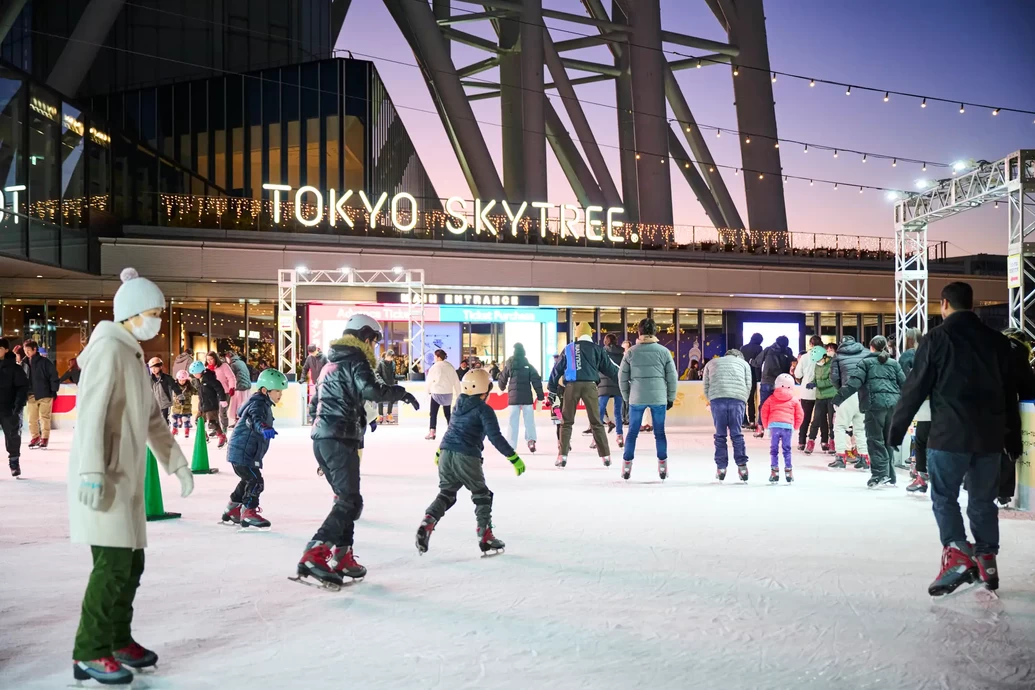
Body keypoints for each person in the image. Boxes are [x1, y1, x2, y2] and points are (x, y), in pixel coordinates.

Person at [68, 267, 194, 685]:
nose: (156, 319)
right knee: (113, 565)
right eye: (153, 312)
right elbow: (90, 416)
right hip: (103, 475)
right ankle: (90, 649)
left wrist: (175, 461)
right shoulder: (108, 350)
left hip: (125, 478)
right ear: (133, 312)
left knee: (132, 562)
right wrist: (90, 470)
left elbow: (153, 420)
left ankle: (118, 639)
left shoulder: (132, 354)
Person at [889, 282, 1018, 596]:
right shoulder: (997, 341)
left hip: (949, 435)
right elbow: (1010, 393)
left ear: (944, 304)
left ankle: (959, 554)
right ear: (971, 305)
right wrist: (1012, 439)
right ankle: (987, 561)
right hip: (989, 437)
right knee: (982, 501)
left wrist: (895, 428)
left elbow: (916, 388)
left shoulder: (936, 338)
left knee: (944, 497)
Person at [296, 315, 419, 589]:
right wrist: (400, 393)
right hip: (340, 437)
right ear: (365, 337)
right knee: (349, 501)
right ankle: (315, 552)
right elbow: (371, 390)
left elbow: (314, 403)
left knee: (347, 499)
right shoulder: (356, 360)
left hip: (322, 438)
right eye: (374, 341)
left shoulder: (330, 364)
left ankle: (342, 555)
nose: (374, 347)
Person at [416, 368, 525, 555]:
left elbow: (452, 427)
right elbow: (495, 437)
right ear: (485, 391)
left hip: (446, 454)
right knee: (482, 496)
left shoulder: (459, 403)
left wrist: (438, 452)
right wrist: (513, 457)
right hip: (466, 456)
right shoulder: (484, 409)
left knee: (446, 494)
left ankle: (428, 521)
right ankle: (485, 536)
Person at [833, 336, 905, 488]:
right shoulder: (894, 363)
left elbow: (853, 384)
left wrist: (838, 399)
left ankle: (880, 475)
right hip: (893, 406)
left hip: (874, 406)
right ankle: (890, 475)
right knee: (887, 440)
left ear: (871, 347)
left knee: (875, 440)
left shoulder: (866, 363)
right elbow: (905, 384)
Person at [222, 369, 289, 530]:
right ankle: (248, 512)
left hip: (245, 452)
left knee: (247, 480)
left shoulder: (261, 402)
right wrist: (263, 427)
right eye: (277, 391)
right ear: (265, 390)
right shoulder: (258, 403)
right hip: (243, 452)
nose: (280, 394)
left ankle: (232, 510)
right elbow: (255, 418)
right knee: (256, 481)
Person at [548, 322, 619, 468]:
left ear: (577, 334)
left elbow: (557, 370)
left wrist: (552, 389)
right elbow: (610, 369)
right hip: (590, 386)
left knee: (566, 422)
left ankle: (562, 456)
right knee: (596, 422)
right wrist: (624, 382)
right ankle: (606, 456)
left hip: (571, 387)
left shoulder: (569, 348)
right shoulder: (596, 349)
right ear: (590, 334)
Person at [618, 319, 678, 481]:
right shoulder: (664, 352)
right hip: (659, 398)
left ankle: (626, 466)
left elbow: (622, 377)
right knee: (659, 433)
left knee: (632, 433)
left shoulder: (631, 352)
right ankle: (663, 466)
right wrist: (670, 397)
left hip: (636, 397)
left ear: (639, 332)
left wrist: (626, 396)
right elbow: (672, 377)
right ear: (655, 332)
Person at [997, 329, 1035, 505]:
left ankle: (979, 487)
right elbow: (1028, 385)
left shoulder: (991, 347)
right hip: (1005, 407)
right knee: (1007, 447)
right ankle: (1003, 492)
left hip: (979, 406)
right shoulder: (1018, 352)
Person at [704, 348, 753, 481]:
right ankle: (742, 467)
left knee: (720, 435)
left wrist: (711, 399)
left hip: (717, 399)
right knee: (736, 434)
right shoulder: (744, 364)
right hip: (737, 399)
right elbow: (748, 384)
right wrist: (743, 398)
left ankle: (721, 468)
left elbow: (706, 384)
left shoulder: (712, 363)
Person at [829, 335, 871, 469]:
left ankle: (840, 457)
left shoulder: (838, 356)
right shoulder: (866, 353)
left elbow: (834, 378)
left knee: (840, 426)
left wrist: (841, 390)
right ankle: (864, 457)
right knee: (861, 427)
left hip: (847, 393)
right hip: (864, 393)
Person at [498, 343, 544, 453]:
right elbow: (536, 380)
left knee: (512, 422)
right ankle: (531, 440)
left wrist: (502, 387)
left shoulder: (510, 364)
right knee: (529, 421)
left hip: (513, 399)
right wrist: (540, 396)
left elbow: (502, 377)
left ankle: (511, 445)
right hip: (527, 398)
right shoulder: (528, 365)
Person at [899, 328, 930, 493]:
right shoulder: (932, 353)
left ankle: (920, 475)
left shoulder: (908, 356)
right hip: (940, 405)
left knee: (919, 441)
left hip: (921, 404)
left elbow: (905, 380)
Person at [760, 373, 804, 483]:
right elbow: (800, 414)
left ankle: (774, 472)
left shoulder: (771, 398)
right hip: (787, 427)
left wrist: (766, 426)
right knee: (787, 450)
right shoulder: (794, 400)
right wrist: (795, 426)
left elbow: (764, 412)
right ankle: (788, 472)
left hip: (774, 426)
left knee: (774, 450)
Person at [751, 335, 794, 433]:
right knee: (781, 405)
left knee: (764, 404)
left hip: (767, 381)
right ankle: (779, 426)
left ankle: (761, 427)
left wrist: (751, 361)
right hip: (781, 382)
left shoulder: (768, 350)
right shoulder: (788, 351)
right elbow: (793, 362)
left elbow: (757, 363)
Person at [22, 339, 59, 450]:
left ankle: (44, 438)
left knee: (44, 417)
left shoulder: (45, 362)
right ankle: (35, 437)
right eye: (25, 350)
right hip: (30, 395)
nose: (26, 352)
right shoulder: (24, 363)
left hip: (45, 393)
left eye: (28, 350)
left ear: (35, 349)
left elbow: (53, 376)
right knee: (31, 419)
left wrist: (53, 391)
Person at [0, 338, 29, 477]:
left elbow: (22, 388)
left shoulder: (15, 369)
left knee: (12, 435)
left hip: (9, 408)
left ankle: (14, 462)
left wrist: (17, 406)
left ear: (6, 350)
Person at [794, 336, 826, 451]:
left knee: (805, 418)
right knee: (822, 418)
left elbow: (798, 374)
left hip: (806, 392)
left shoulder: (805, 357)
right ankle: (824, 442)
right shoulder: (825, 356)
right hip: (821, 391)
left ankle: (802, 442)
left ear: (810, 344)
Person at [804, 343, 837, 455]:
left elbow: (832, 381)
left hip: (832, 396)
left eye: (819, 360)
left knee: (832, 421)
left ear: (824, 356)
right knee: (816, 420)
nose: (818, 362)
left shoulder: (833, 364)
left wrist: (817, 384)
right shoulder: (817, 365)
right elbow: (815, 378)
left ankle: (832, 441)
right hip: (820, 397)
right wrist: (812, 383)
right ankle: (811, 441)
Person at [595, 333, 625, 447]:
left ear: (606, 342)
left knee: (600, 410)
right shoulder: (621, 354)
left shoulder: (601, 352)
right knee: (618, 412)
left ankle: (596, 438)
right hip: (617, 384)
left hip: (603, 384)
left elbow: (598, 367)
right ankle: (620, 436)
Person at [425, 349, 461, 440]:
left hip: (436, 392)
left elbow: (429, 380)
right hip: (447, 392)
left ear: (438, 357)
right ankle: (452, 432)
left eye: (435, 356)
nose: (434, 358)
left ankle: (432, 432)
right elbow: (456, 381)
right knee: (448, 414)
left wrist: (427, 390)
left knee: (433, 413)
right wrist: (458, 394)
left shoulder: (434, 367)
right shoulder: (450, 366)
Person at [192, 360, 227, 448]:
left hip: (211, 405)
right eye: (193, 374)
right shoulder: (197, 380)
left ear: (201, 371)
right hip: (202, 406)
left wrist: (223, 399)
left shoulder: (209, 378)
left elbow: (219, 388)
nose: (194, 375)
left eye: (196, 373)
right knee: (198, 421)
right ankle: (204, 436)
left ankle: (222, 436)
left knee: (212, 423)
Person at [206, 351, 234, 433]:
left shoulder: (224, 366)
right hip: (213, 393)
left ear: (215, 358)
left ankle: (224, 428)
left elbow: (231, 377)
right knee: (214, 412)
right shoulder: (207, 369)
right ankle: (216, 429)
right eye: (208, 360)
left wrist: (232, 387)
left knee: (222, 412)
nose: (209, 361)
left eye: (211, 359)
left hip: (225, 392)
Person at [740, 333, 764, 428]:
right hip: (752, 376)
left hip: (742, 375)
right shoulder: (759, 348)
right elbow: (758, 364)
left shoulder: (743, 348)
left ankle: (743, 420)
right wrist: (759, 378)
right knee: (751, 400)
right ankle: (752, 421)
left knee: (742, 399)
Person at [225, 349, 253, 427]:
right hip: (246, 386)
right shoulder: (241, 362)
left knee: (237, 405)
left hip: (239, 387)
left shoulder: (233, 365)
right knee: (243, 404)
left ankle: (238, 421)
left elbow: (230, 376)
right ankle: (240, 420)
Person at [147, 357, 177, 425]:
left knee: (164, 419)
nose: (153, 370)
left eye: (155, 367)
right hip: (154, 404)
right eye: (151, 368)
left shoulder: (167, 378)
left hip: (165, 403)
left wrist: (180, 396)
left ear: (160, 367)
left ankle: (166, 430)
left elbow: (175, 386)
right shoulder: (149, 379)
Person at [170, 369, 196, 438]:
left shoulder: (189, 387)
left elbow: (196, 392)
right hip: (176, 407)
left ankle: (187, 430)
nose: (181, 382)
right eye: (180, 380)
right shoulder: (175, 386)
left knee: (185, 419)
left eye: (183, 380)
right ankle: (175, 429)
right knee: (174, 419)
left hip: (186, 408)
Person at [376, 349, 399, 423]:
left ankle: (389, 415)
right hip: (382, 384)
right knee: (380, 400)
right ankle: (380, 416)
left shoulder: (393, 363)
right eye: (390, 356)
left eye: (392, 357)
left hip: (391, 384)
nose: (391, 358)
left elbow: (393, 375)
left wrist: (401, 377)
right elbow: (377, 374)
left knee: (391, 400)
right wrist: (382, 382)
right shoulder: (380, 363)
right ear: (386, 356)